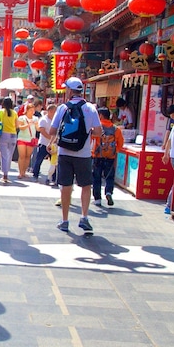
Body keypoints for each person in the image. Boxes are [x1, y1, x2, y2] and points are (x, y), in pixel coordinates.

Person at [48, 77, 102, 235]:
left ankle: (64, 221)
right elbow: (98, 132)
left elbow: (52, 131)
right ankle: (84, 217)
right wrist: (87, 132)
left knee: (66, 186)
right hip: (83, 154)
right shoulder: (90, 108)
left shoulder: (62, 108)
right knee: (86, 186)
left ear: (70, 91)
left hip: (64, 153)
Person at [92, 107, 125, 207]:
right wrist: (114, 151)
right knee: (109, 177)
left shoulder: (97, 128)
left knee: (96, 177)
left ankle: (97, 199)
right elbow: (121, 143)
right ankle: (108, 192)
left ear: (101, 116)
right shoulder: (116, 129)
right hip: (110, 157)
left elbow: (91, 139)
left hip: (98, 155)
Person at [0, 97, 19, 184]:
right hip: (13, 135)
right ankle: (7, 173)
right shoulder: (14, 113)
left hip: (4, 135)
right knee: (10, 155)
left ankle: (5, 175)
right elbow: (17, 126)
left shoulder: (1, 112)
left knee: (4, 155)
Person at [33, 104, 57, 184]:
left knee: (54, 162)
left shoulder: (55, 120)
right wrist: (51, 138)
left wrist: (53, 141)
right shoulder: (44, 119)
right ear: (50, 111)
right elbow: (42, 131)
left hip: (53, 145)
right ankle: (35, 175)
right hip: (43, 143)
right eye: (54, 111)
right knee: (39, 160)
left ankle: (53, 178)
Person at [15, 103, 37, 180]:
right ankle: (20, 172)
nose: (32, 112)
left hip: (31, 139)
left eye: (33, 110)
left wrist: (37, 124)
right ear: (26, 110)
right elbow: (20, 127)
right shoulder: (22, 118)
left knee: (28, 156)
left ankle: (24, 172)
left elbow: (38, 129)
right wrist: (28, 125)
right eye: (30, 110)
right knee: (22, 156)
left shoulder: (35, 118)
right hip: (22, 138)